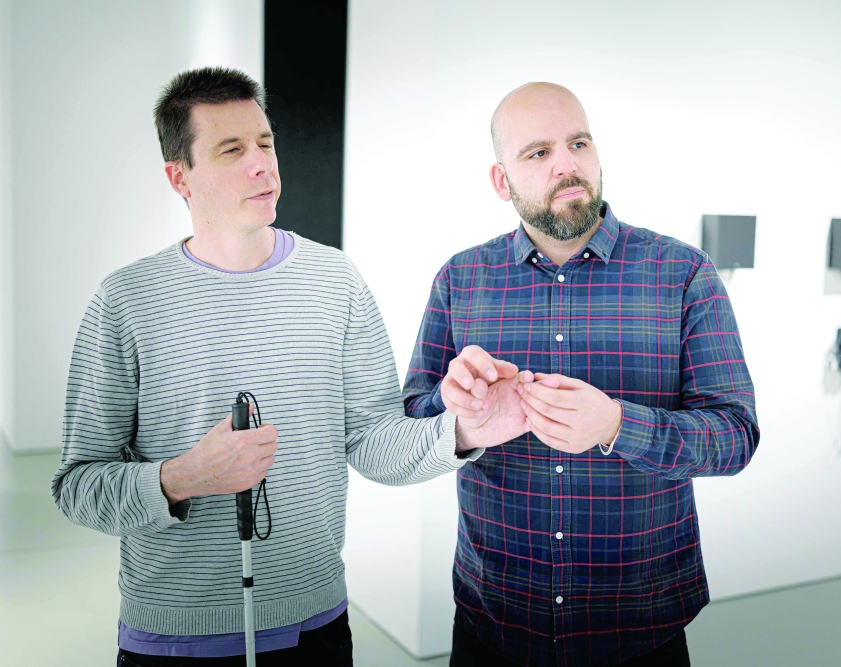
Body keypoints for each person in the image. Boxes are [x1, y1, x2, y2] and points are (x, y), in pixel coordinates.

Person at [51, 67, 526, 667]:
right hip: (174, 641)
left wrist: (461, 432)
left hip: (316, 629)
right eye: (231, 150)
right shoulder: (125, 302)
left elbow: (372, 442)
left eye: (265, 143)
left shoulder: (337, 283)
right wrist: (181, 476)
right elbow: (76, 487)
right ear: (180, 178)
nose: (262, 164)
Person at [403, 82, 760, 667]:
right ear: (502, 181)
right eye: (538, 153)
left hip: (641, 628)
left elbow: (735, 435)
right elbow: (414, 417)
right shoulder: (460, 280)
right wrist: (461, 422)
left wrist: (618, 425)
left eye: (578, 143)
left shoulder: (682, 274)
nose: (567, 165)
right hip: (494, 621)